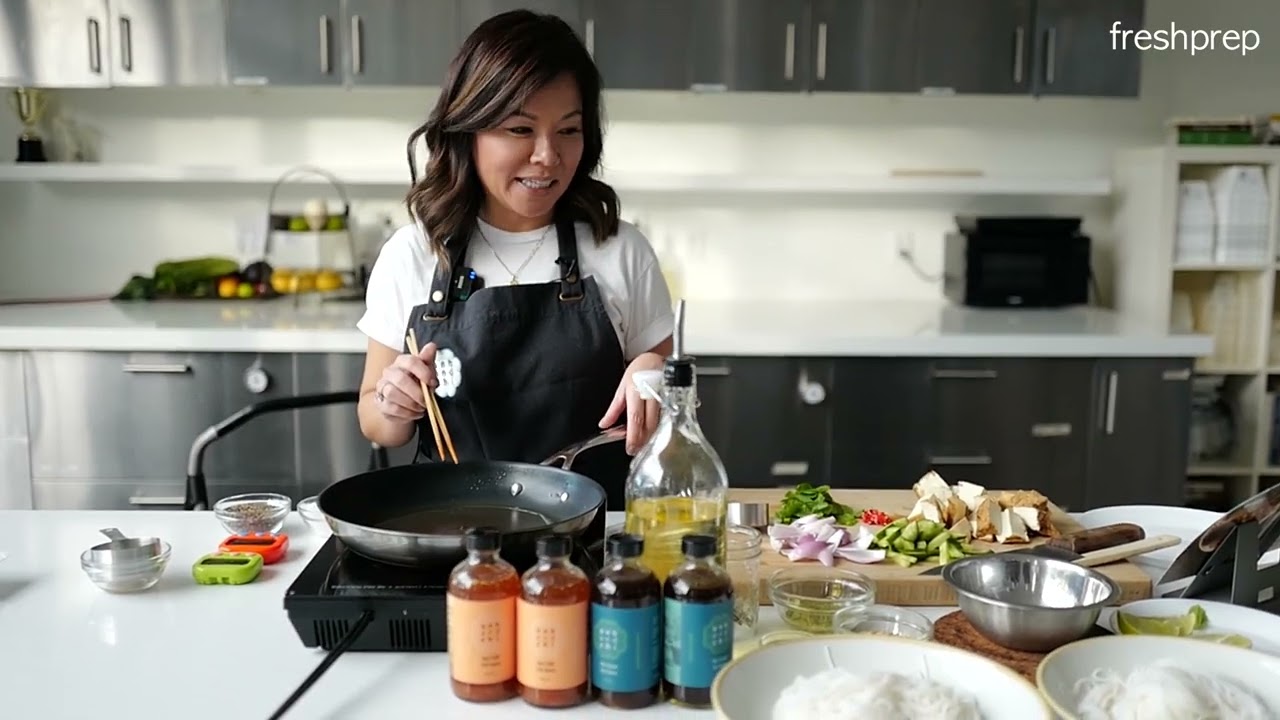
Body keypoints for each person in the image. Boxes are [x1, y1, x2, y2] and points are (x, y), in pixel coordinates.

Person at [356, 9, 675, 470]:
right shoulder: (412, 254)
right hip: (454, 528)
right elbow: (375, 422)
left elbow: (667, 421)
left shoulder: (621, 250)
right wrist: (392, 403)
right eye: (520, 129)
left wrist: (658, 376)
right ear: (469, 132)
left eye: (568, 130)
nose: (548, 156)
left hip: (596, 530)